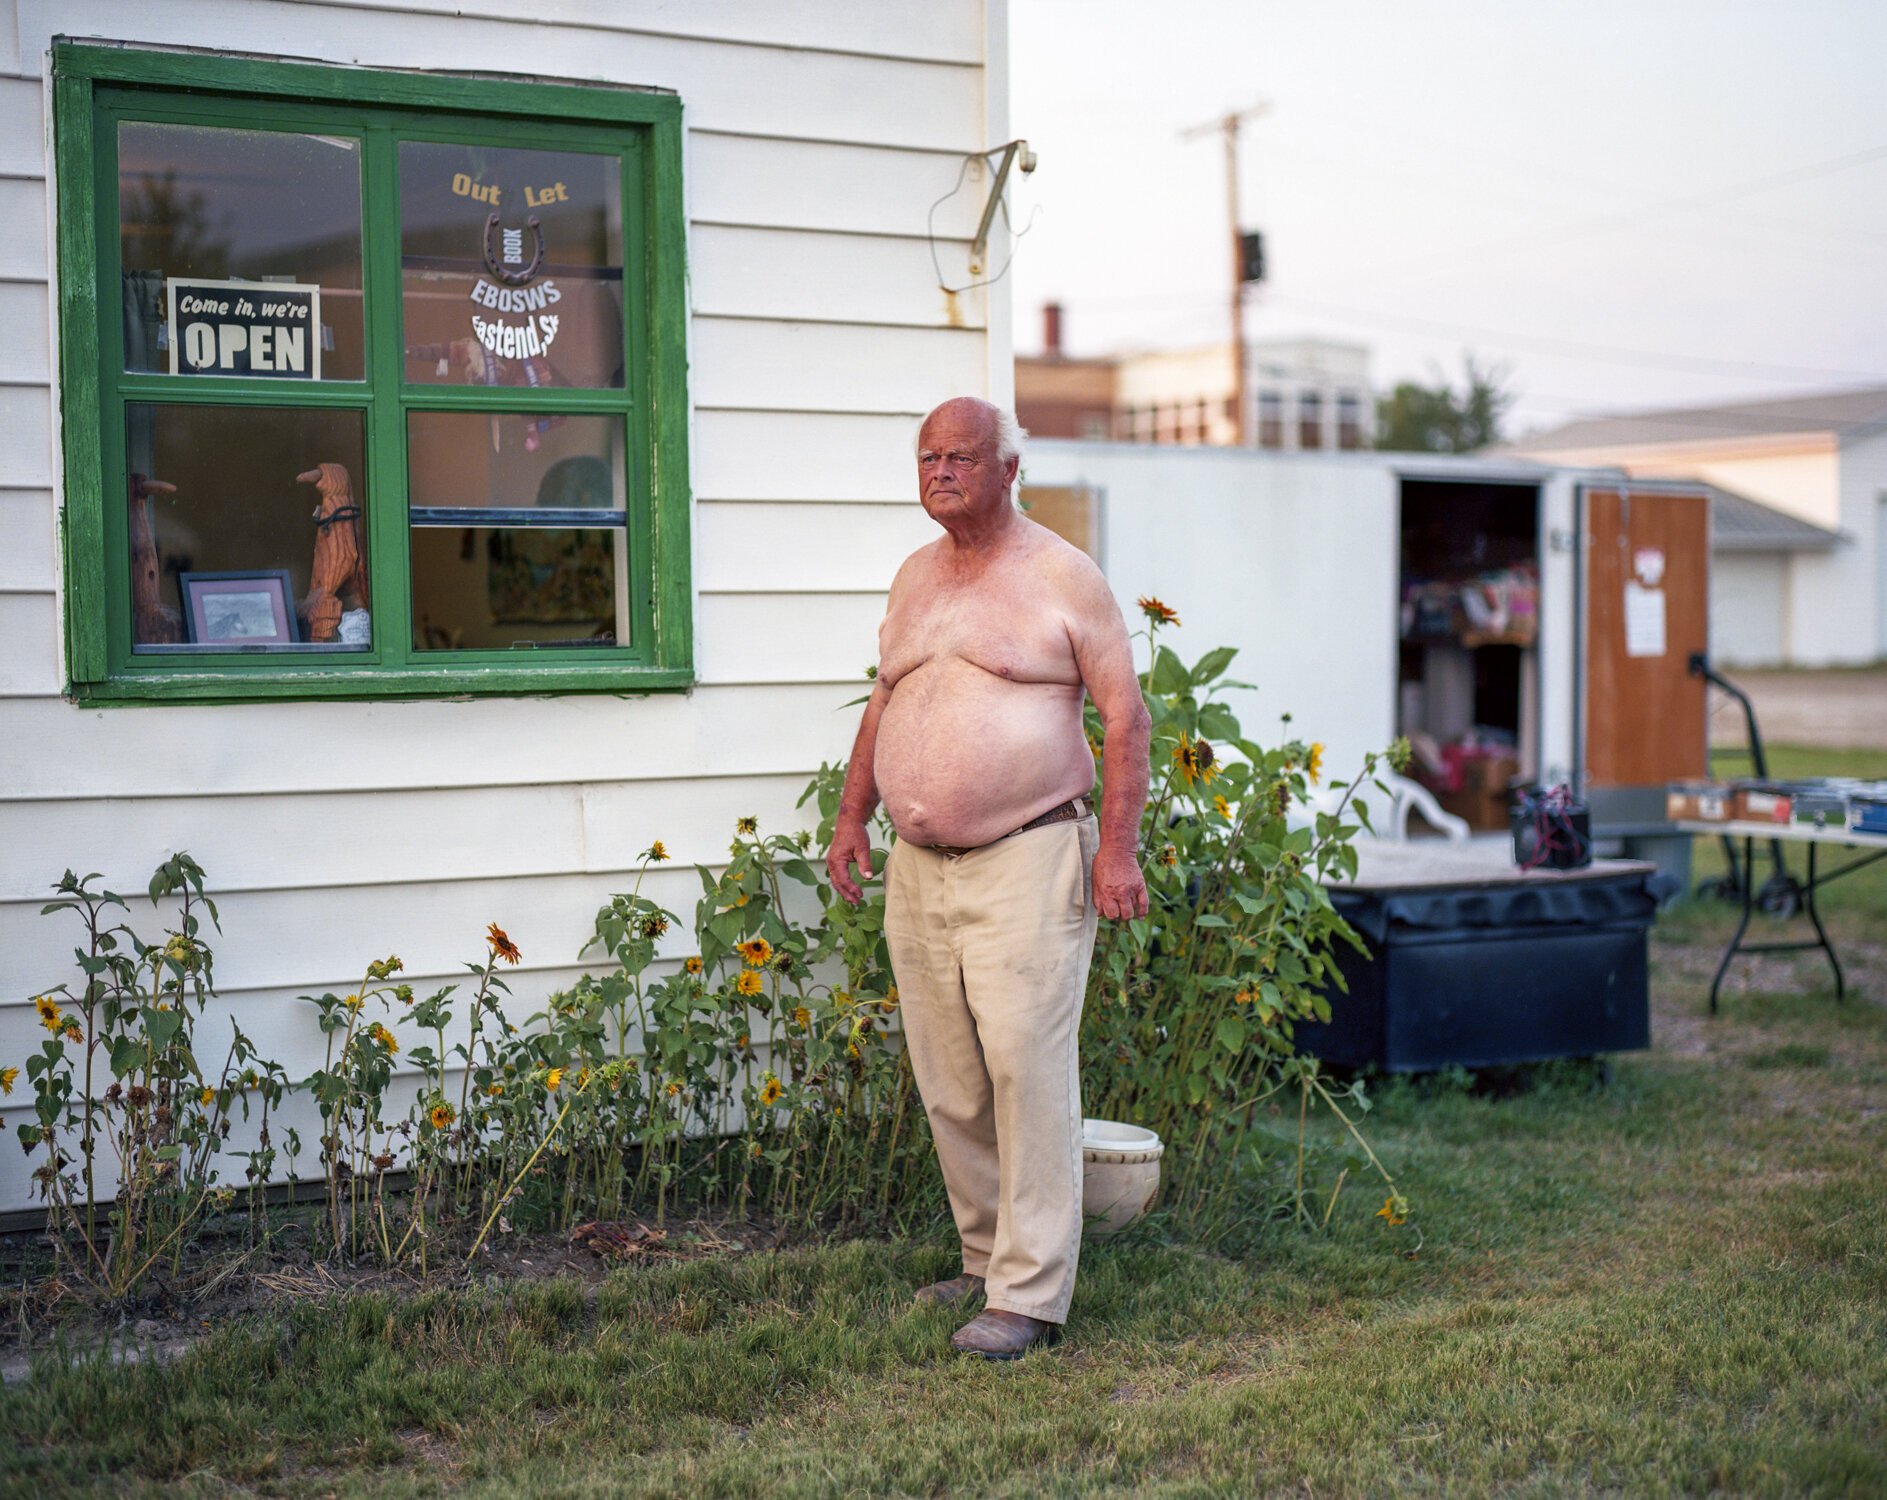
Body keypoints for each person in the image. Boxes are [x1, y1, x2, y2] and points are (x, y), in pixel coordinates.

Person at [826, 396, 1151, 1360]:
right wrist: (852, 816)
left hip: (1029, 852)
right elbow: (886, 700)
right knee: (952, 1079)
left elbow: (1125, 720)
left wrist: (1117, 849)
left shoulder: (1063, 575)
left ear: (1010, 469)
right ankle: (982, 1259)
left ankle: (1030, 1296)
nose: (939, 472)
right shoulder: (914, 577)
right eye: (927, 458)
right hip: (921, 867)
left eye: (961, 457)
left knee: (1026, 1072)